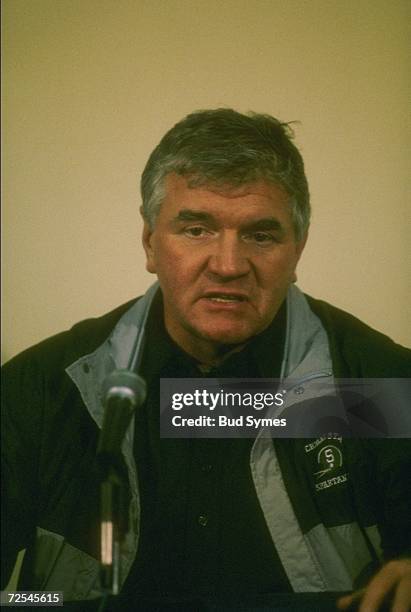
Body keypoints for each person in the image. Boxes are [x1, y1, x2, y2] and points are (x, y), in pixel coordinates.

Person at [1, 108, 410, 611]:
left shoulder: (384, 382)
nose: (229, 265)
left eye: (261, 236)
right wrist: (40, 605)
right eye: (196, 230)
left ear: (297, 250)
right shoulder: (43, 388)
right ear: (151, 243)